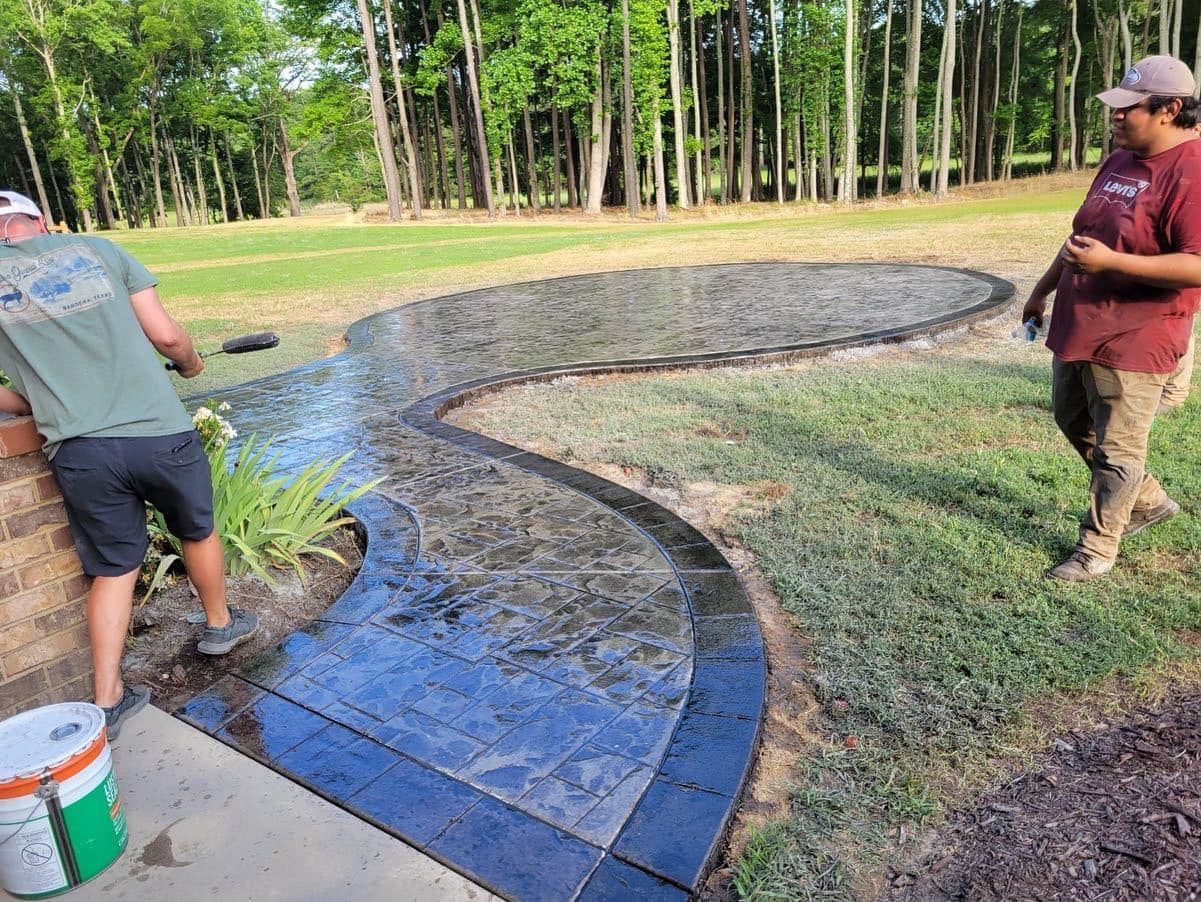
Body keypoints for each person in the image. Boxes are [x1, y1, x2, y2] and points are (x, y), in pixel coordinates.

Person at [0, 191, 258, 737]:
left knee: (115, 568)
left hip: (79, 450)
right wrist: (188, 365)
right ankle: (219, 625)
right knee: (197, 529)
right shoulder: (98, 250)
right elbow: (165, 336)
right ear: (40, 222)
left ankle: (108, 700)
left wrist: (40, 402)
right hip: (158, 433)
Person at [1022, 55, 1201, 582]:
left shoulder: (1191, 172)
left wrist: (1113, 263)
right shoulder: (1120, 161)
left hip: (1138, 334)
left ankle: (1097, 549)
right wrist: (1041, 289)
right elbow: (1081, 234)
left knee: (1119, 447)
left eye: (1130, 109)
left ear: (1169, 109)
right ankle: (1146, 499)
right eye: (1116, 108)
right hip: (1082, 322)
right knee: (1072, 418)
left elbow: (1196, 263)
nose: (1116, 117)